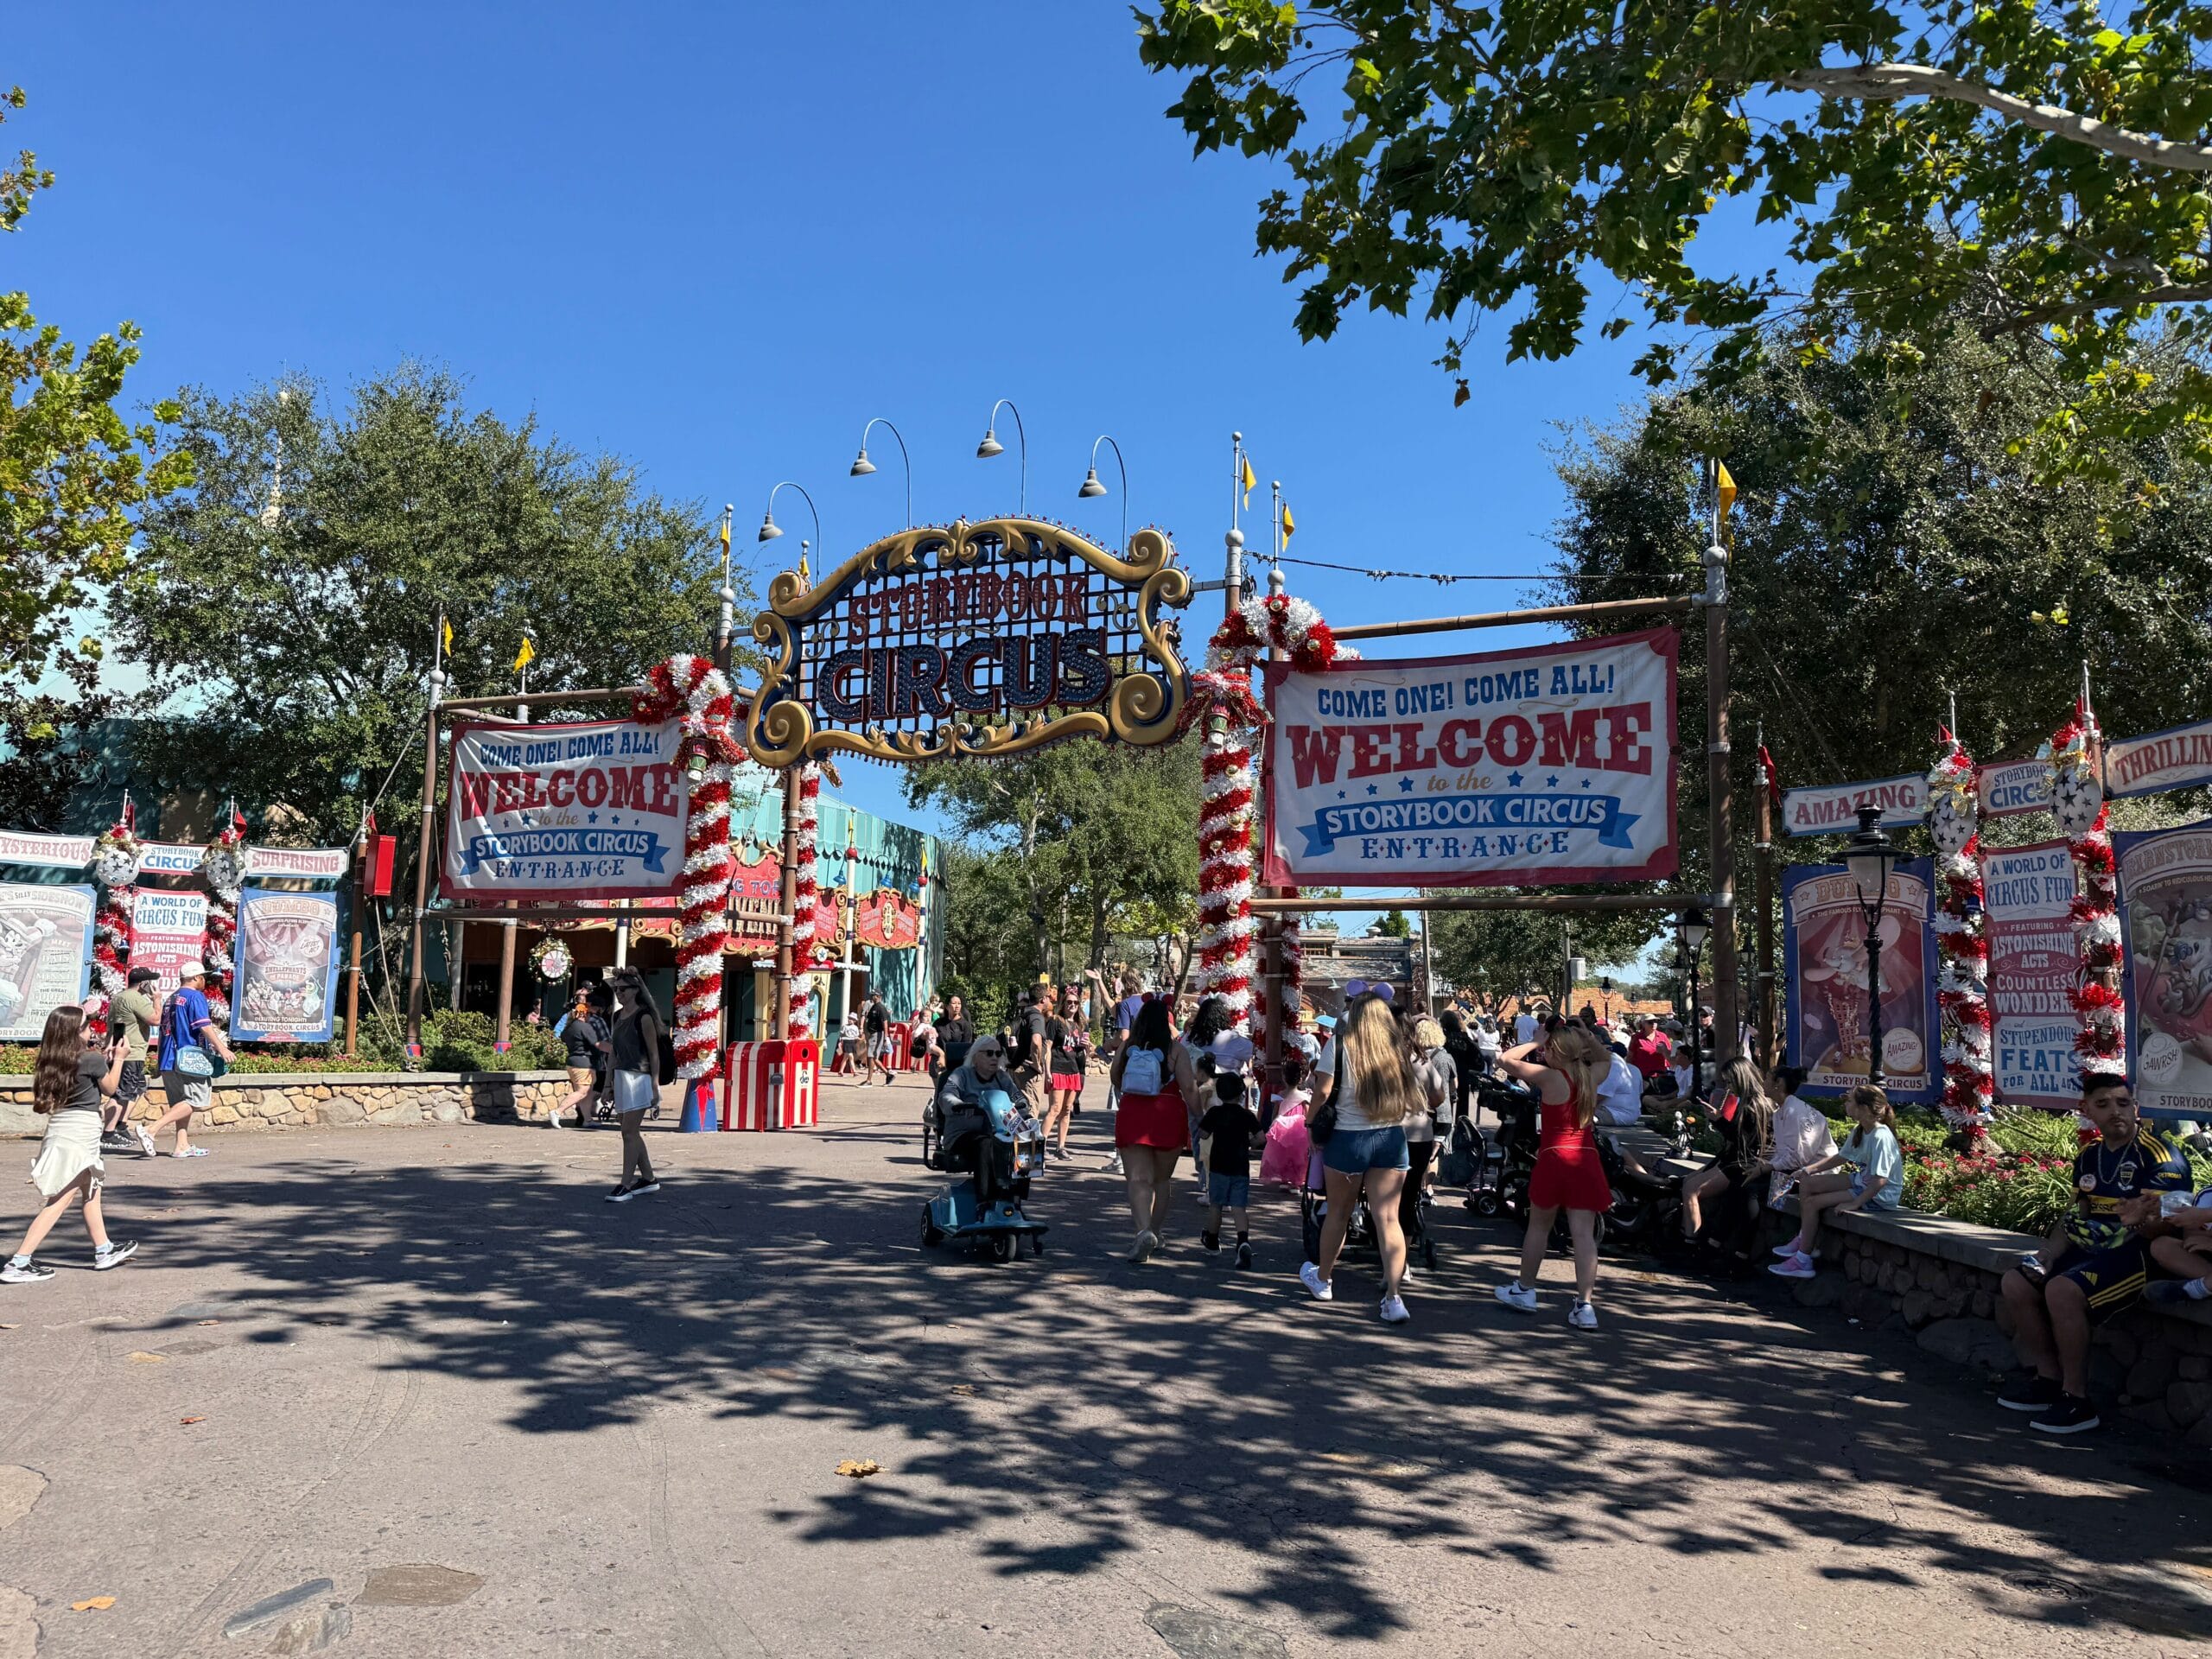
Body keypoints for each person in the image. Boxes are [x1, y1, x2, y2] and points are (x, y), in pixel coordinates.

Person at [1996, 1072, 2190, 1433]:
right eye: (2103, 1104)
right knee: (2017, 1282)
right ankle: (2048, 1382)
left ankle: (2077, 1401)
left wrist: (2138, 1221)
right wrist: (2050, 1253)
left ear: (2135, 1106)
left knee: (2062, 1290)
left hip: (2143, 1253)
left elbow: (2174, 1224)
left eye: (2122, 1102)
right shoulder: (2088, 1157)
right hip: (2093, 1250)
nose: (2115, 1111)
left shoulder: (2161, 1154)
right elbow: (2076, 1215)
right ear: (2086, 1110)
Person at [1300, 990, 1425, 1324]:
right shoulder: (1396, 1049)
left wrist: (1311, 1124)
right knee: (1389, 1219)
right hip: (1390, 1137)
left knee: (1338, 1213)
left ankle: (1324, 1279)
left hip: (1347, 1138)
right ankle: (1394, 1297)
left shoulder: (1339, 1046)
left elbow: (1323, 1092)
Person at [3, 1005, 138, 1282]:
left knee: (91, 1189)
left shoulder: (53, 1059)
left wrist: (104, 1058)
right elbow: (111, 1088)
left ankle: (104, 1249)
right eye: (87, 1026)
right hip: (81, 1130)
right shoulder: (90, 1059)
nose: (92, 1031)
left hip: (62, 1127)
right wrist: (120, 1059)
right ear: (76, 1032)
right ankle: (19, 1262)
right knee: (61, 1198)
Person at [1492, 1021, 1612, 1330]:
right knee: (1583, 1235)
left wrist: (1534, 1041)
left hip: (1555, 1156)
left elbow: (1504, 1060)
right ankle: (1585, 1305)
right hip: (1585, 1158)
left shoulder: (1549, 1077)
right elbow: (1604, 1059)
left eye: (1548, 1049)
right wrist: (1588, 1036)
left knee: (1538, 1227)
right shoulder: (1590, 1076)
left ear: (1555, 1052)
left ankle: (1525, 1289)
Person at [1769, 1084, 1903, 1278]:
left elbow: (1881, 1180)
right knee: (1808, 1183)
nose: (1845, 1104)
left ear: (1864, 1108)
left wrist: (1855, 1203)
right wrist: (1807, 1170)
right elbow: (1842, 1157)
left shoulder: (1881, 1136)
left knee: (1813, 1203)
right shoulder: (1861, 1129)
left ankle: (1803, 1261)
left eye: (1849, 1100)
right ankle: (1805, 1239)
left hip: (1879, 1195)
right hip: (1862, 1181)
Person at [1109, 995, 1197, 1263]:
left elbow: (1115, 1078)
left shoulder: (1128, 1046)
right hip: (1168, 1114)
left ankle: (1143, 1231)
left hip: (1134, 1113)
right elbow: (1190, 1088)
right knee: (1161, 1181)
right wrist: (1201, 1118)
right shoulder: (1176, 1050)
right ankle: (1156, 1230)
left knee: (1137, 1179)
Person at [140, 961, 233, 1159]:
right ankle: (151, 1130)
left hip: (169, 1057)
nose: (204, 980)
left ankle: (181, 1146)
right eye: (203, 977)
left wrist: (159, 1061)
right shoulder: (195, 997)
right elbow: (204, 1026)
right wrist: (222, 1048)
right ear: (196, 978)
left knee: (181, 1103)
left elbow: (165, 1031)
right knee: (196, 1099)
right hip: (190, 1058)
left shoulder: (172, 999)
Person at [1677, 1057, 1772, 1243]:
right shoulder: (1748, 1101)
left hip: (1743, 1163)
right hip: (1735, 1158)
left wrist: (1718, 1120)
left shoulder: (1754, 1105)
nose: (1728, 1086)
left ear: (1741, 1079)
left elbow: (1743, 1140)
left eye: (1730, 1081)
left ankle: (1691, 1240)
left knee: (1690, 1189)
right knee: (1687, 1181)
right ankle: (1686, 1232)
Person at [602, 970, 665, 1202]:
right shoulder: (617, 1016)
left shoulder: (644, 1017)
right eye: (616, 989)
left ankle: (625, 1184)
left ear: (635, 990)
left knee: (628, 1132)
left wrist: (655, 1085)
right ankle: (648, 1178)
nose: (619, 993)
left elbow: (654, 1053)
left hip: (640, 1077)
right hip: (621, 1076)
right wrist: (607, 1083)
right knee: (631, 1132)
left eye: (623, 989)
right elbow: (613, 1052)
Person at [1405, 1017, 1456, 1274]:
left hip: (1385, 1131)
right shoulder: (1424, 1061)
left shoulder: (1381, 1059)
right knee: (1409, 1195)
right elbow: (1440, 1095)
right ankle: (1401, 1254)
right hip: (1419, 1129)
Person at [1199, 1071, 1260, 1268]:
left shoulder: (1215, 1113)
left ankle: (1213, 1239)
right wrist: (1248, 1143)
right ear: (1242, 1094)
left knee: (1216, 1205)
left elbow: (1204, 1133)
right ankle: (1242, 1240)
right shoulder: (1246, 1115)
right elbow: (1262, 1138)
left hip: (1218, 1167)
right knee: (1239, 1207)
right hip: (1240, 1167)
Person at [100, 964, 160, 1151]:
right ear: (143, 984)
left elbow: (119, 1025)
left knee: (137, 1088)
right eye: (149, 981)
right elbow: (156, 1019)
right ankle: (108, 1134)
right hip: (130, 1053)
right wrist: (157, 999)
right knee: (121, 1093)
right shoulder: (136, 999)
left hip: (121, 1049)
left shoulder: (119, 997)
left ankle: (121, 1125)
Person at [1765, 1065, 1837, 1205]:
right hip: (1795, 1171)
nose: (1763, 1082)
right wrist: (1766, 1166)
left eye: (1767, 1078)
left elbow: (1797, 1159)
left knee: (1757, 1190)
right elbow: (1784, 1154)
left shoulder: (1795, 1112)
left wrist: (1767, 1168)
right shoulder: (1780, 1112)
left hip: (1814, 1175)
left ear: (1778, 1083)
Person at [550, 988, 609, 1128]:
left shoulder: (569, 1028)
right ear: (584, 1014)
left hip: (572, 1062)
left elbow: (561, 1037)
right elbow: (598, 1044)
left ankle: (587, 1120)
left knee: (586, 1092)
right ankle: (557, 1112)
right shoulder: (585, 1027)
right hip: (583, 1063)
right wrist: (615, 1050)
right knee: (582, 1091)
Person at [1043, 983, 1089, 1161]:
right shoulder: (1056, 1021)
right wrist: (1047, 1071)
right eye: (1069, 1002)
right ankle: (1040, 1145)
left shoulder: (1079, 1025)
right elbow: (1047, 1048)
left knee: (1067, 1109)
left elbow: (1080, 1050)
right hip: (1058, 1068)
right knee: (1054, 1108)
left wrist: (1085, 1048)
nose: (1072, 1005)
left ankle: (1061, 1147)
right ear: (1063, 1003)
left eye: (1076, 1003)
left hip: (1073, 1070)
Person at [1594, 1035, 1645, 1127]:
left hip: (1614, 1113)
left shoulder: (1614, 1065)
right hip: (1630, 1114)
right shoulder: (1635, 1069)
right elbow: (1639, 1093)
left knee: (1575, 1117)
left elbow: (1600, 1096)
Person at [933, 995, 974, 1084]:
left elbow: (966, 1047)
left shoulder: (965, 1025)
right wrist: (940, 1055)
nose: (957, 1006)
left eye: (959, 1003)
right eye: (954, 1003)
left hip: (957, 1065)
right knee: (940, 1092)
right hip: (939, 1063)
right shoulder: (938, 1023)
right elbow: (932, 1043)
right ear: (947, 1006)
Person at [1627, 1014, 1673, 1086]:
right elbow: (1630, 1057)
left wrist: (1664, 1051)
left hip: (1660, 1075)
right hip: (1642, 1076)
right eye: (1650, 1022)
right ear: (1643, 1023)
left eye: (1655, 1021)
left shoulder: (1662, 1036)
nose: (1654, 1024)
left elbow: (1670, 1054)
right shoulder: (1636, 1038)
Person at [862, 991, 895, 1084]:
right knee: (875, 1058)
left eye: (873, 995)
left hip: (877, 1034)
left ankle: (869, 1080)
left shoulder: (881, 1008)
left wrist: (885, 1037)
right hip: (872, 1034)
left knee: (871, 1056)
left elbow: (885, 1023)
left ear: (878, 996)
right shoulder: (873, 1006)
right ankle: (889, 1075)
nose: (871, 997)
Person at [832, 1008, 861, 1076]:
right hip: (846, 1042)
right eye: (849, 1018)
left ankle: (841, 1071)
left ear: (854, 1021)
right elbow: (841, 1035)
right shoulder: (845, 1026)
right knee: (851, 1056)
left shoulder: (855, 1028)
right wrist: (840, 1042)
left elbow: (855, 1036)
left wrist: (860, 1039)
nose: (850, 1020)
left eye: (852, 1019)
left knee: (845, 1057)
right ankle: (854, 1071)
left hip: (852, 1042)